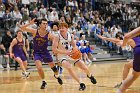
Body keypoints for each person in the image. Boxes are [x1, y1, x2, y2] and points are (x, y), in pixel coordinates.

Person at [52, 22, 97, 91]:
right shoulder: (57, 36)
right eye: (60, 27)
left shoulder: (71, 35)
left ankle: (90, 76)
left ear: (67, 28)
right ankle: (81, 84)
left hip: (71, 54)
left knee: (84, 67)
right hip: (62, 56)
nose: (61, 29)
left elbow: (74, 45)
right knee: (69, 67)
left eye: (62, 27)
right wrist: (65, 52)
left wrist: (76, 50)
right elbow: (54, 49)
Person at [20, 18, 63, 89]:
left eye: (46, 23)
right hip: (37, 53)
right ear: (40, 25)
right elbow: (22, 28)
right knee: (39, 68)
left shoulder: (49, 34)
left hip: (45, 52)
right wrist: (30, 23)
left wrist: (55, 49)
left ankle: (57, 76)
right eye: (43, 23)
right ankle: (44, 81)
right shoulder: (34, 31)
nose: (45, 25)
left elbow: (56, 40)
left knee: (54, 68)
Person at [117, 27, 140, 93]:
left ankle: (123, 84)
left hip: (138, 52)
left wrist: (123, 45)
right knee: (127, 65)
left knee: (134, 75)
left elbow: (126, 37)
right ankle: (123, 82)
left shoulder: (131, 39)